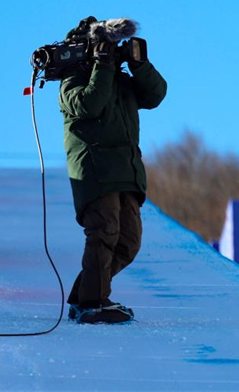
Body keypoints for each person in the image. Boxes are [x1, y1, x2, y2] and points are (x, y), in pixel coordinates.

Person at [59, 17, 167, 324]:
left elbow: (155, 95)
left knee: (128, 243)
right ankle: (94, 302)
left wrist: (139, 64)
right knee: (104, 234)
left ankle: (85, 295)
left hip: (126, 172)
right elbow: (89, 104)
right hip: (94, 172)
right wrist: (102, 65)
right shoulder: (71, 82)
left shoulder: (120, 82)